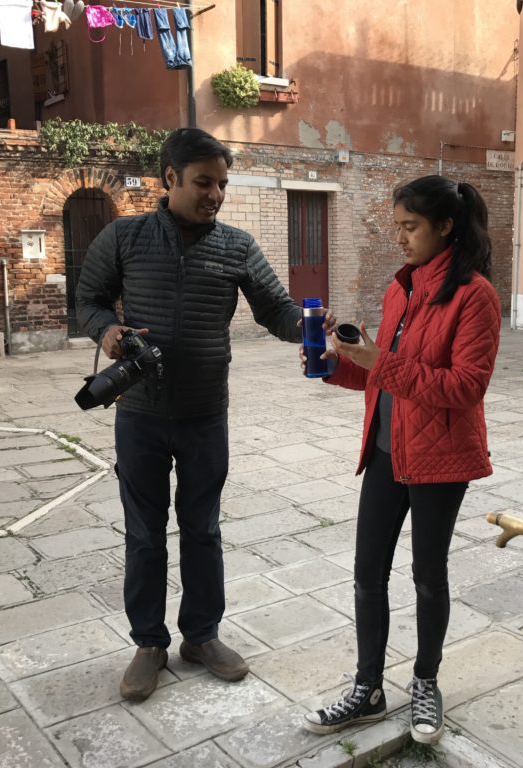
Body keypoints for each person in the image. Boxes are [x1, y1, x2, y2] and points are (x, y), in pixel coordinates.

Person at [76, 128, 330, 702]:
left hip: (204, 416)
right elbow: (87, 299)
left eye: (222, 184)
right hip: (139, 415)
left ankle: (201, 636)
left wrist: (312, 325)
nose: (214, 194)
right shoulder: (124, 237)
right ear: (169, 178)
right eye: (203, 183)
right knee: (144, 534)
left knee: (204, 529)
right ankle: (148, 643)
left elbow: (276, 310)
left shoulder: (237, 247)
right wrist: (107, 330)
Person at [301, 175, 501, 744]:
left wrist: (378, 359)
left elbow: (464, 386)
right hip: (387, 452)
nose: (400, 239)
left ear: (445, 227)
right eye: (396, 228)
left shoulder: (474, 295)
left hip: (441, 460)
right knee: (368, 573)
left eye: (409, 227)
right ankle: (368, 687)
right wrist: (336, 364)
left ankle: (425, 682)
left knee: (427, 576)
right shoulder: (400, 289)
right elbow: (382, 379)